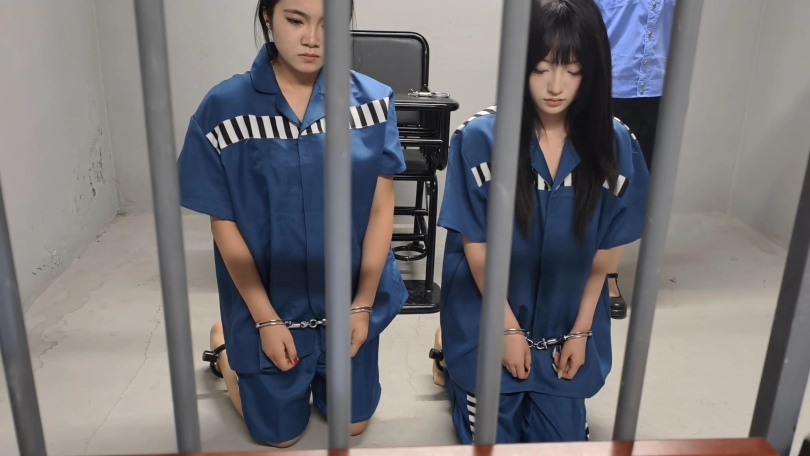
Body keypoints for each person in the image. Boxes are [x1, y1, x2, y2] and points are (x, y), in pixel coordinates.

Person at [177, 0, 408, 447]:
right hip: (268, 300)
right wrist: (264, 320)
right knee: (279, 439)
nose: (312, 39)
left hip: (347, 299)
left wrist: (362, 303)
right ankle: (227, 348)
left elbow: (381, 209)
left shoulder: (374, 103)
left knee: (352, 425)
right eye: (296, 20)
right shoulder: (223, 108)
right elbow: (223, 222)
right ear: (268, 16)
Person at [434, 0, 649, 443]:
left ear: (592, 71)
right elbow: (476, 247)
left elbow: (606, 254)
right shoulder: (479, 138)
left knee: (563, 443)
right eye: (541, 68)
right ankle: (450, 353)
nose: (555, 85)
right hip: (490, 307)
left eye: (572, 70)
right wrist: (506, 328)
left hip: (564, 318)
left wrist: (581, 331)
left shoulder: (615, 143)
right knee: (492, 441)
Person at [595, 0, 674, 319]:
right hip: (604, 86)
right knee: (591, 183)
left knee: (631, 187)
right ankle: (580, 268)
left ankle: (607, 274)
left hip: (657, 90)